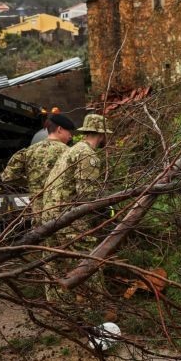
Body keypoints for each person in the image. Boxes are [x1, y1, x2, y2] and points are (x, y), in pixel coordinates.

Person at [42, 113, 112, 302]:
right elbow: (87, 196)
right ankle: (94, 309)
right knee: (87, 259)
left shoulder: (72, 150)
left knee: (53, 262)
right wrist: (104, 211)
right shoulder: (88, 155)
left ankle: (59, 309)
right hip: (68, 217)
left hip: (49, 214)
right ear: (101, 134)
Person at [1, 113, 76, 222]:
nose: (70, 136)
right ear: (59, 129)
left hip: (38, 213)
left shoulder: (29, 151)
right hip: (62, 213)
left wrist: (30, 182)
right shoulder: (69, 152)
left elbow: (8, 177)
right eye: (69, 132)